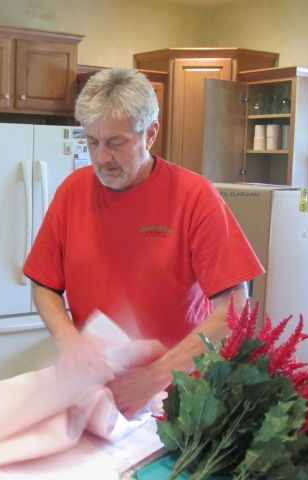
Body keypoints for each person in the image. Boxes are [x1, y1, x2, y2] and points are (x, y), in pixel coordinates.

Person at [23, 68, 264, 419]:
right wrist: (66, 337)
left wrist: (155, 375)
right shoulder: (72, 192)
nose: (102, 157)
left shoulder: (194, 197)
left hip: (179, 391)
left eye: (116, 143)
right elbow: (44, 282)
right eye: (92, 142)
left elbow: (235, 308)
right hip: (95, 386)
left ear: (150, 133)